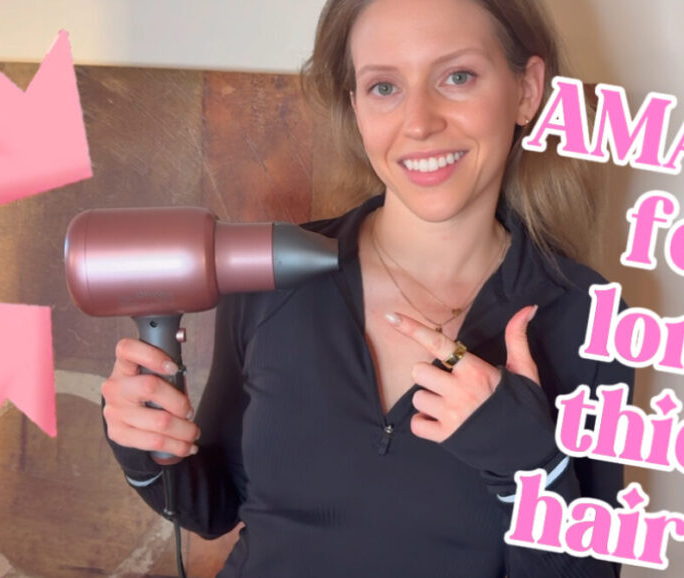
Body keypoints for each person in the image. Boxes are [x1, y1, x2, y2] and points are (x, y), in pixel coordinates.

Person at [101, 0, 634, 576]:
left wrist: (532, 468)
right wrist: (144, 444)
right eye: (384, 87)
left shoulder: (588, 319)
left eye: (458, 77)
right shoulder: (268, 276)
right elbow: (214, 506)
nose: (419, 122)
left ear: (526, 91)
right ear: (355, 106)